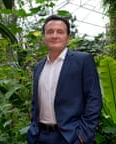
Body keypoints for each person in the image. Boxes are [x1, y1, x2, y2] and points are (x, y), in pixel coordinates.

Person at [26, 14, 102, 144]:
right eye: (50, 32)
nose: (54, 35)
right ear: (44, 37)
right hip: (40, 136)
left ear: (68, 38)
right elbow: (36, 103)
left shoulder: (82, 61)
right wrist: (33, 129)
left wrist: (83, 135)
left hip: (70, 137)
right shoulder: (39, 67)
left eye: (60, 32)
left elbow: (94, 99)